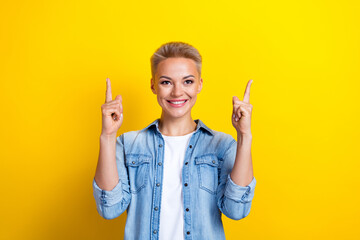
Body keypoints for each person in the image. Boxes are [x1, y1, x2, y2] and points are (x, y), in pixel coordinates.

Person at [92, 41, 256, 240]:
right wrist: (108, 136)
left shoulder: (222, 145)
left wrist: (244, 136)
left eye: (187, 81)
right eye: (166, 82)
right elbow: (109, 209)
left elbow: (237, 210)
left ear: (200, 85)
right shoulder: (128, 144)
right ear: (153, 85)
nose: (177, 92)